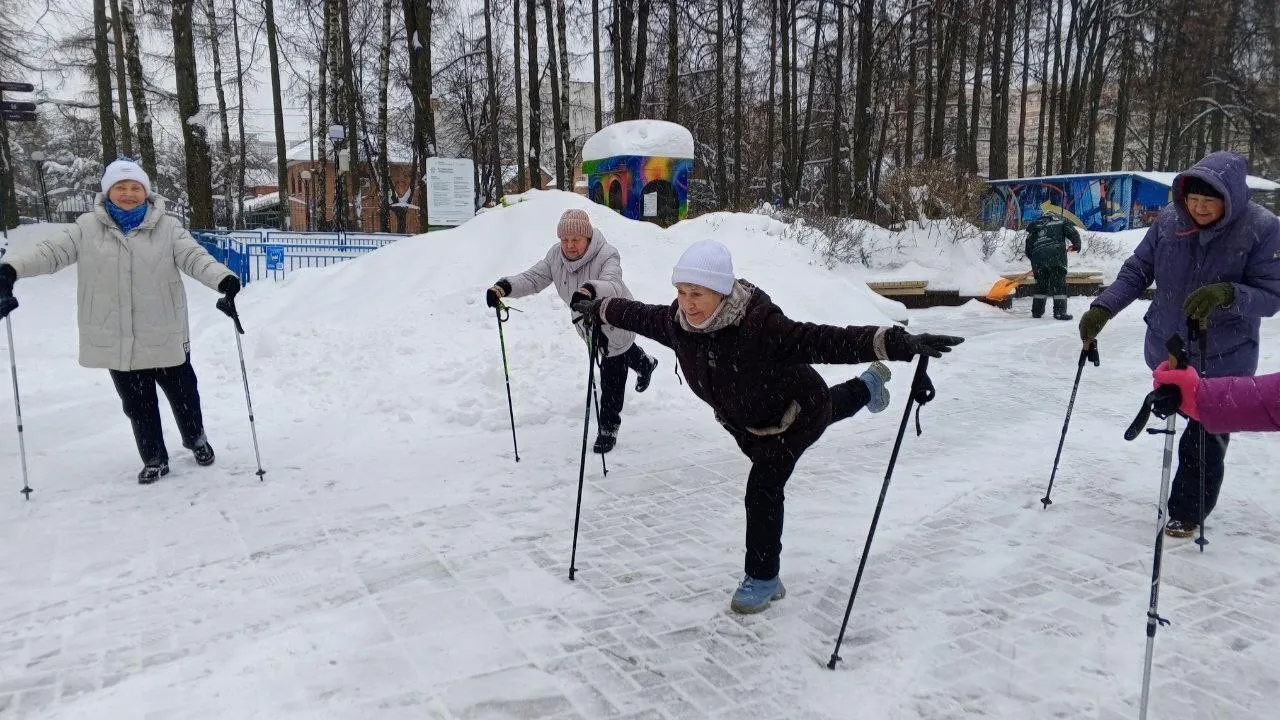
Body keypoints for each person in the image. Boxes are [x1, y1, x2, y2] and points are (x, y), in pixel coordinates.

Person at [571, 239, 964, 614]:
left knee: (764, 486)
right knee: (832, 409)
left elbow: (825, 341)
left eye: (698, 294)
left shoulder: (761, 328)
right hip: (750, 423)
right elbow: (633, 313)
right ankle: (869, 386)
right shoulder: (678, 324)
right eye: (683, 292)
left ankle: (763, 579)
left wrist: (897, 343)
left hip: (794, 413)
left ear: (722, 292)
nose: (688, 305)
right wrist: (598, 306)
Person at [0, 158, 241, 484]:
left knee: (185, 394)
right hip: (118, 338)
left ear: (146, 192)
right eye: (120, 187)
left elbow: (195, 257)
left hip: (163, 331)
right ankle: (154, 457)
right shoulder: (86, 228)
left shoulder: (167, 227)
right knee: (137, 405)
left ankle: (195, 438)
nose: (128, 193)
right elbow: (48, 252)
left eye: (135, 187)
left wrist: (223, 280)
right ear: (108, 191)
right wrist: (11, 268)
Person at [1079, 151, 1280, 537]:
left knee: (1205, 436)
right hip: (1169, 350)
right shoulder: (1170, 221)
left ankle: (1188, 512)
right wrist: (1103, 308)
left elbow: (1272, 296)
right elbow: (1138, 270)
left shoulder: (1262, 228)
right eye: (1193, 198)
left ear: (1231, 197)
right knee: (1189, 420)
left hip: (1224, 358)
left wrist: (1228, 294)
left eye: (1210, 199)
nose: (1199, 207)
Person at [486, 208, 659, 454]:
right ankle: (645, 364)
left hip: (614, 315)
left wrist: (589, 290)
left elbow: (613, 282)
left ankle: (608, 427)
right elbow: (534, 278)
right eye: (564, 240)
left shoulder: (607, 255)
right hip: (586, 322)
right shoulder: (556, 257)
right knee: (616, 352)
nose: (569, 245)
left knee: (612, 370)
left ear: (587, 238)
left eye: (575, 240)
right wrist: (504, 287)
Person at [1152, 364, 1279, 434]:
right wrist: (1201, 395)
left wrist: (1201, 395)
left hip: (1222, 364)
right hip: (1209, 384)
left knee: (1203, 456)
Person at [1024, 212, 1082, 320]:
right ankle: (1059, 313)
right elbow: (1072, 232)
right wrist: (1076, 245)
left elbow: (1027, 250)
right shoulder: (1060, 222)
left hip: (1039, 261)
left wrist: (1037, 260)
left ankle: (1037, 312)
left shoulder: (1035, 227)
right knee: (1058, 285)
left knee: (1041, 286)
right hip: (1056, 259)